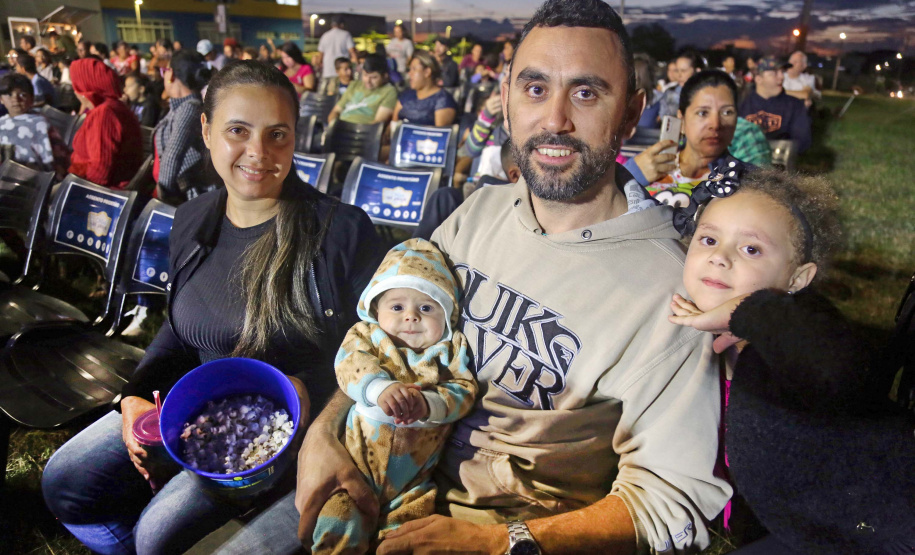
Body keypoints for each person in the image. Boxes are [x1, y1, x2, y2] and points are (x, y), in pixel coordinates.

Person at [288, 2, 731, 554]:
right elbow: (382, 341)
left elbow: (667, 499)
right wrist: (324, 435)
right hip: (370, 480)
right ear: (505, 98)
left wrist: (500, 543)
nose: (554, 120)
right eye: (536, 88)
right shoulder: (478, 212)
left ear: (633, 111)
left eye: (587, 93)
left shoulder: (673, 287)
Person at [41, 59, 384, 555]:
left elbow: (375, 352)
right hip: (201, 409)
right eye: (238, 130)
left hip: (290, 435)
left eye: (278, 135)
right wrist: (134, 395)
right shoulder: (192, 218)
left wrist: (311, 395)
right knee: (64, 482)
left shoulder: (341, 232)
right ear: (205, 129)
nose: (258, 154)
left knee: (156, 536)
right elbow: (181, 326)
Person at [663, 167, 915, 554]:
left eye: (751, 249)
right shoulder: (712, 342)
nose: (719, 257)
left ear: (797, 280)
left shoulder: (801, 332)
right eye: (708, 239)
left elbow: (840, 369)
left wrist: (752, 309)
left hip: (876, 532)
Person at [312, 238, 477, 554]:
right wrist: (380, 388)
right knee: (338, 525)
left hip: (412, 483)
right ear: (376, 308)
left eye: (426, 308)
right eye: (397, 306)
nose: (411, 317)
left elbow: (464, 390)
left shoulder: (449, 349)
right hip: (355, 465)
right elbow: (349, 363)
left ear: (446, 315)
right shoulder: (368, 335)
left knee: (408, 538)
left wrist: (429, 403)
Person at [625, 70, 740, 204]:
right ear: (682, 119)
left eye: (727, 112)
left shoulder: (745, 182)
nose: (715, 124)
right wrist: (629, 177)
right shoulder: (646, 167)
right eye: (702, 113)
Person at [68, 57, 143, 189]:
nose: (74, 91)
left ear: (84, 88)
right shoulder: (109, 107)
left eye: (75, 84)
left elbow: (100, 171)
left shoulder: (104, 114)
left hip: (101, 195)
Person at [152, 49, 212, 203]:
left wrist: (162, 196)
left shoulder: (189, 108)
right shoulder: (183, 107)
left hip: (189, 198)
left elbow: (173, 153)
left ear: (170, 74)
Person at [738, 55, 811, 153]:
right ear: (758, 79)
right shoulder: (740, 103)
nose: (781, 77)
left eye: (782, 72)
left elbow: (802, 142)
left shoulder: (795, 105)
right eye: (774, 73)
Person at [0, 73, 55, 171]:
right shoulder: (1, 123)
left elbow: (53, 162)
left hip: (34, 179)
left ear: (32, 98)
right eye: (9, 95)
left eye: (22, 95)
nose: (15, 99)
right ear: (1, 99)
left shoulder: (40, 124)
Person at [328, 54, 397, 125]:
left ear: (385, 76)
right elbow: (336, 111)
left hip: (362, 133)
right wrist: (333, 126)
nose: (368, 81)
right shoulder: (354, 85)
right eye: (365, 75)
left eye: (374, 77)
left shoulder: (389, 92)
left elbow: (377, 123)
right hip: (339, 129)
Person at [393, 51, 458, 127]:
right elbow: (394, 124)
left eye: (414, 69)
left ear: (427, 72)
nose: (410, 73)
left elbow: (439, 134)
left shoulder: (443, 100)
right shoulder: (406, 95)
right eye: (409, 69)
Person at [658, 50, 703, 120]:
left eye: (683, 71)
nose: (679, 75)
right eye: (677, 71)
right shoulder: (670, 93)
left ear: (697, 70)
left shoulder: (705, 93)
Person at [317, 16, 356, 90]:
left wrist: (319, 66)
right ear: (342, 25)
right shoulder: (346, 34)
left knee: (330, 93)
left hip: (328, 70)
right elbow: (352, 51)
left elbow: (320, 55)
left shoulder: (325, 35)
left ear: (332, 25)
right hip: (343, 70)